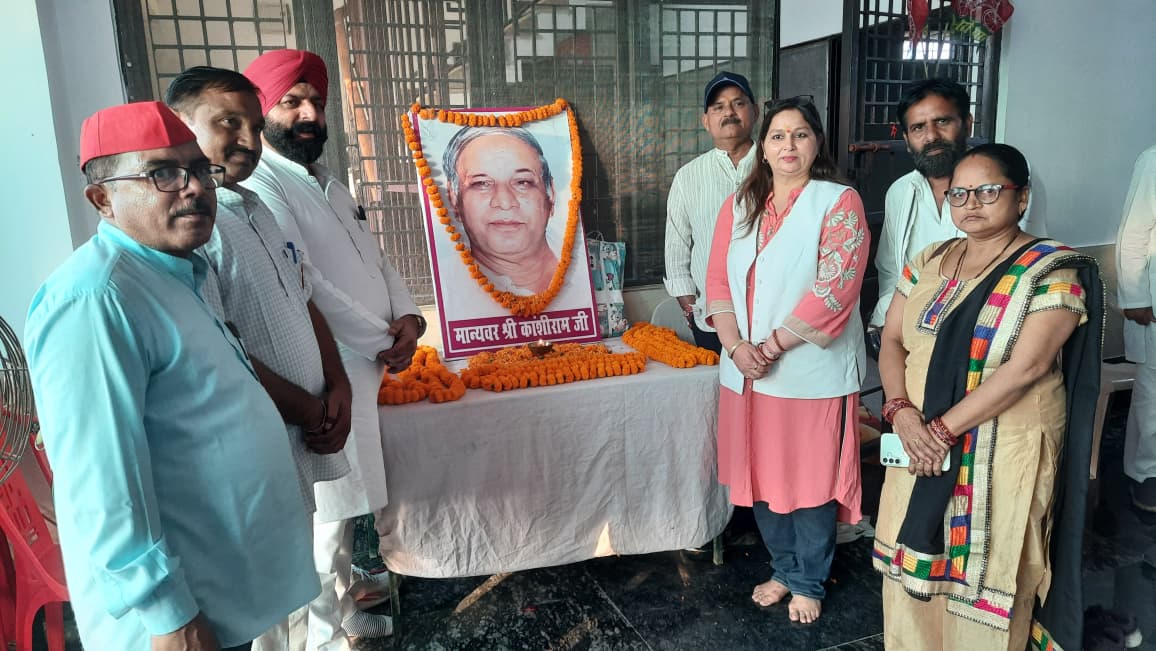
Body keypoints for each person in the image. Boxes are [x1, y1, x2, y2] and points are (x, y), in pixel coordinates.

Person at [24, 101, 318, 650]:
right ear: (102, 199)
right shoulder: (95, 298)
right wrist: (170, 617)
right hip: (173, 623)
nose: (196, 187)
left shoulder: (176, 272)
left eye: (200, 169)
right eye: (163, 173)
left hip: (219, 592)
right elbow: (102, 488)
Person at [873, 143, 1102, 650]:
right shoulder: (929, 259)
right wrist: (901, 412)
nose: (971, 203)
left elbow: (1028, 367)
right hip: (917, 442)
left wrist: (939, 432)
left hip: (1003, 447)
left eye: (988, 190)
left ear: (1022, 198)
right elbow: (891, 339)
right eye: (959, 193)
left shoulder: (1050, 268)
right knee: (913, 564)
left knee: (992, 571)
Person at [165, 66, 357, 650]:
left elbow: (304, 298)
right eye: (228, 123)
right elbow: (223, 347)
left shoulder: (255, 209)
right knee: (267, 609)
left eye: (253, 124)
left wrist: (338, 384)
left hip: (302, 434)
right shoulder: (194, 228)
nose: (248, 140)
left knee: (297, 585)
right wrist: (310, 408)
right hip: (257, 448)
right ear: (179, 127)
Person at [242, 49, 424, 645]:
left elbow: (376, 260)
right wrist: (383, 340)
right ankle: (321, 640)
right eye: (291, 102)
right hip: (326, 374)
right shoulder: (263, 186)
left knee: (345, 516)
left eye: (316, 102)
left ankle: (342, 615)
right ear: (261, 113)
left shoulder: (329, 181)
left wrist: (409, 319)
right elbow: (308, 283)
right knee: (325, 524)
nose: (308, 114)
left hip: (365, 368)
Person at [703, 96, 870, 624]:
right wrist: (736, 346)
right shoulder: (739, 205)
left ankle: (809, 581)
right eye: (778, 135)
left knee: (809, 481)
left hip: (806, 373)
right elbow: (717, 283)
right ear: (763, 146)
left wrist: (771, 346)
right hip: (746, 372)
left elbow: (834, 291)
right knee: (760, 477)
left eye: (800, 134)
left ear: (817, 142)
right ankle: (783, 568)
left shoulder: (838, 202)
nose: (789, 145)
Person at [868, 78, 974, 334]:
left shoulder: (999, 185)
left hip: (977, 335)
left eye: (943, 121)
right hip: (910, 336)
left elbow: (1023, 265)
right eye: (918, 128)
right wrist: (889, 321)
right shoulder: (900, 192)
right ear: (906, 139)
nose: (931, 136)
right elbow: (890, 270)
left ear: (967, 124)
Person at [664, 71, 759, 353]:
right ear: (706, 121)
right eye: (718, 107)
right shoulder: (688, 177)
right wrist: (691, 310)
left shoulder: (777, 166)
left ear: (754, 111)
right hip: (711, 320)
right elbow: (676, 251)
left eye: (738, 103)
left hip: (771, 319)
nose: (729, 112)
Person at [443, 125, 558, 295]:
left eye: (522, 182)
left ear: (550, 194)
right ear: (454, 198)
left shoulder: (578, 273)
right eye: (482, 183)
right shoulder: (452, 288)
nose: (505, 202)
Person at [1115, 143, 1156, 512]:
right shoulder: (1153, 160)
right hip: (1154, 306)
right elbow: (1133, 234)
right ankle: (1147, 476)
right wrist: (1134, 297)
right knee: (1153, 396)